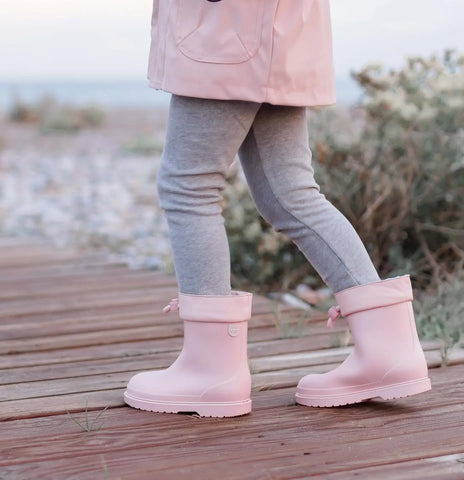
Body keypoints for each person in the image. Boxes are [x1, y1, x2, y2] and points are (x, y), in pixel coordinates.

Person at [123, 0, 431, 417]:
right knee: (290, 193)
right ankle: (389, 349)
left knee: (188, 187)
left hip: (227, 37)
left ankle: (209, 371)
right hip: (277, 34)